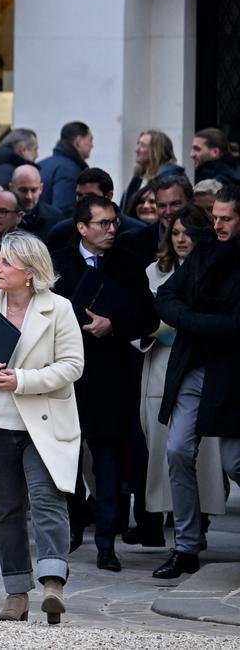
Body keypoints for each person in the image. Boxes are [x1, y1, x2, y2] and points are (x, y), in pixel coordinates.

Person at [0, 230, 85, 625]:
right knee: (6, 511)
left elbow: (73, 365)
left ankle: (53, 582)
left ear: (29, 271)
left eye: (5, 262)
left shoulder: (59, 308)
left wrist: (21, 380)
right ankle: (16, 593)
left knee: (47, 500)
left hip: (42, 424)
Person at [51, 195, 158, 571]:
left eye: (115, 222)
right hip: (64, 377)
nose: (113, 229)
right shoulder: (58, 262)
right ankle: (71, 526)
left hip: (110, 375)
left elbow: (147, 316)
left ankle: (106, 542)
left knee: (109, 462)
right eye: (104, 224)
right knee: (65, 458)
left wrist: (113, 324)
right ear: (82, 227)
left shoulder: (128, 263)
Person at [153, 185, 240, 578]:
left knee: (234, 463)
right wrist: (195, 322)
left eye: (226, 218)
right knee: (177, 451)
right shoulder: (205, 250)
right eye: (216, 216)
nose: (217, 224)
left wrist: (191, 321)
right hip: (194, 367)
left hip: (234, 375)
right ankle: (186, 547)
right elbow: (167, 296)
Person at [137, 208, 224, 547]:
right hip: (162, 363)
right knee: (166, 449)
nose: (182, 238)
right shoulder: (154, 272)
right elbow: (140, 321)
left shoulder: (218, 268)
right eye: (176, 232)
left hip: (205, 364)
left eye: (189, 232)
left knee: (206, 455)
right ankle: (177, 528)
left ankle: (195, 524)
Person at [121, 174, 193, 264]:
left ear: (191, 202)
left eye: (175, 204)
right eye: (162, 205)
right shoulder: (134, 242)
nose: (168, 212)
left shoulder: (209, 239)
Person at [119, 130, 185, 210]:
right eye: (138, 144)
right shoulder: (140, 176)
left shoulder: (169, 178)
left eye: (142, 146)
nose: (136, 150)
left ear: (156, 151)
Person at [39, 122, 93, 216]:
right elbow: (64, 211)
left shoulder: (41, 164)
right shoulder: (69, 170)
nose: (92, 145)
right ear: (78, 141)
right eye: (90, 140)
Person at [11, 165, 63, 241]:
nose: (29, 196)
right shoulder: (3, 217)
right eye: (23, 190)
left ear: (41, 188)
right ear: (11, 188)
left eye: (33, 190)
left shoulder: (55, 218)